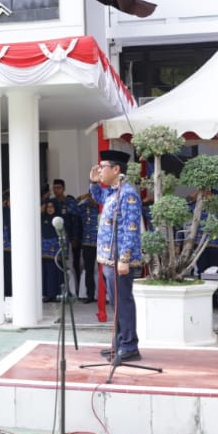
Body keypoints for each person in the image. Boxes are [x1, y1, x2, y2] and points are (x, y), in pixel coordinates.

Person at [90, 150, 143, 358]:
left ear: (116, 169)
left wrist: (124, 259)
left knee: (123, 302)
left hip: (118, 259)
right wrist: (93, 182)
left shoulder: (128, 193)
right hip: (108, 258)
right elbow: (98, 197)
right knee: (116, 303)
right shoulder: (114, 191)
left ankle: (129, 346)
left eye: (103, 166)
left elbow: (131, 228)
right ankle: (120, 342)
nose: (99, 170)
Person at [41, 198, 66, 302]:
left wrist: (64, 250)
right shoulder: (43, 219)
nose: (49, 209)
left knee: (56, 272)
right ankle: (47, 294)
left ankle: (56, 294)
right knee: (45, 272)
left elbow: (64, 234)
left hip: (56, 249)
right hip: (44, 250)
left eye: (51, 207)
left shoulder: (59, 220)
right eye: (48, 207)